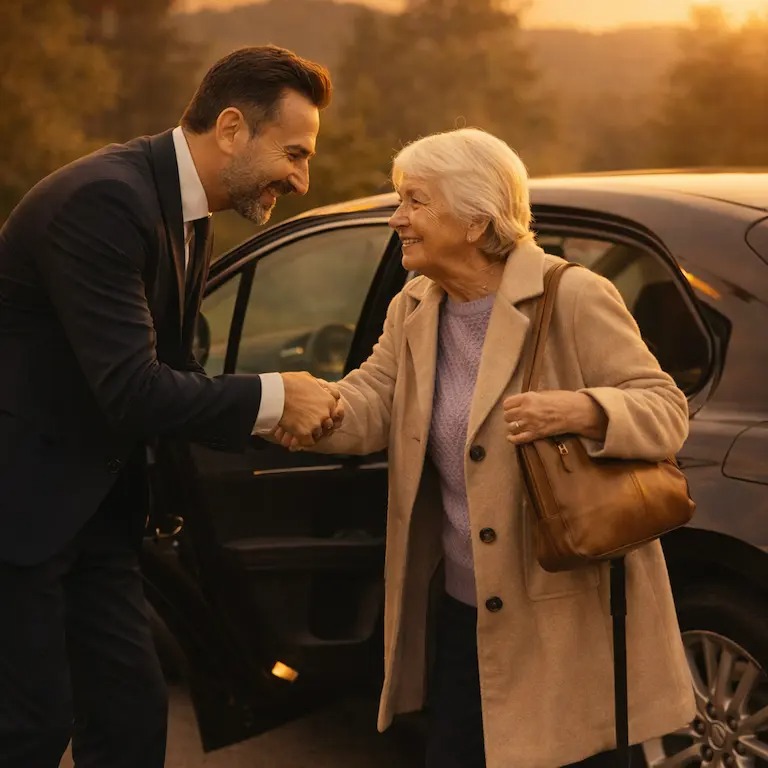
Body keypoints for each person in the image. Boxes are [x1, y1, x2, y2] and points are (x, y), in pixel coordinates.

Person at [274, 128, 695, 768]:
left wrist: (583, 408)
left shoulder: (573, 294)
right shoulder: (413, 304)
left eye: (415, 202)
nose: (397, 219)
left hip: (570, 620)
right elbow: (373, 401)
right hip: (464, 615)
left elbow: (665, 410)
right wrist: (298, 411)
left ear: (475, 221)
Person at [0, 46, 341, 768]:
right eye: (294, 153)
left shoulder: (187, 211)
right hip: (20, 509)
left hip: (96, 516)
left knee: (130, 712)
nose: (302, 179)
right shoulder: (104, 201)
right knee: (29, 727)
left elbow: (175, 374)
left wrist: (278, 424)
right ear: (229, 128)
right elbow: (133, 388)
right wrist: (276, 396)